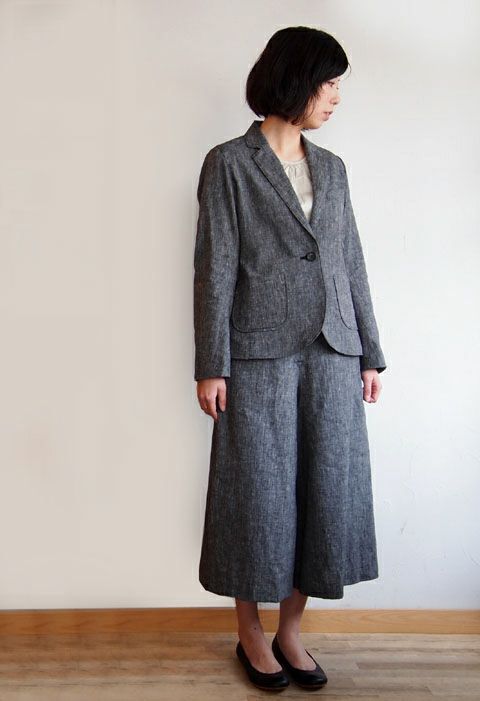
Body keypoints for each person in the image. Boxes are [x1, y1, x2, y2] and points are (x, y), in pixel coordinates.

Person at [193, 26, 387, 692]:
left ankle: (292, 630)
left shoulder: (333, 168)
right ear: (296, 79)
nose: (335, 97)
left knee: (323, 491)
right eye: (329, 83)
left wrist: (371, 353)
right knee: (257, 494)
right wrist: (211, 363)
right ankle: (250, 631)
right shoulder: (229, 163)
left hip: (333, 349)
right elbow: (215, 267)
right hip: (257, 352)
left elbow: (351, 262)